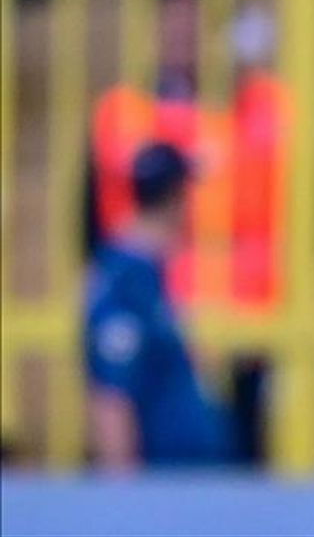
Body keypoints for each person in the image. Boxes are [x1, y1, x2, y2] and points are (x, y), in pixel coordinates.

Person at [83, 143, 226, 469]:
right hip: (159, 486)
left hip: (181, 481)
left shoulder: (151, 275)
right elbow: (112, 398)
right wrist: (125, 492)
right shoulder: (125, 279)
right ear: (176, 198)